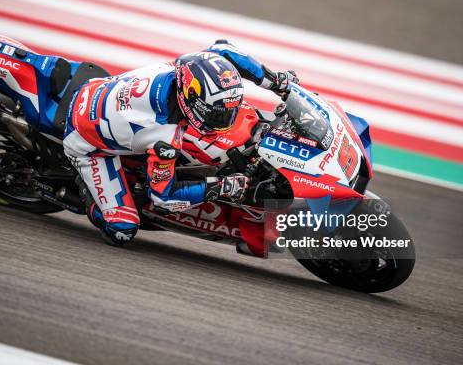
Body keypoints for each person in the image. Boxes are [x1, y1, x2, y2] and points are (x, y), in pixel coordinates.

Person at [63, 40, 298, 246]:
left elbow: (224, 50)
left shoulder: (189, 69)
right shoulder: (164, 137)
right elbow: (164, 199)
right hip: (86, 142)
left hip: (99, 90)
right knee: (122, 230)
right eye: (217, 115)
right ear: (191, 101)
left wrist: (276, 82)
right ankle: (83, 186)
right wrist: (222, 187)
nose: (225, 120)